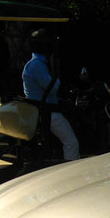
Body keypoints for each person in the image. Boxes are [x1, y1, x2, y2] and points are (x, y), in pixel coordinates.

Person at [22, 28, 80, 161]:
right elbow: (53, 88)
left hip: (45, 109)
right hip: (46, 112)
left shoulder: (36, 64)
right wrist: (56, 70)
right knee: (71, 142)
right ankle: (72, 170)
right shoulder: (37, 65)